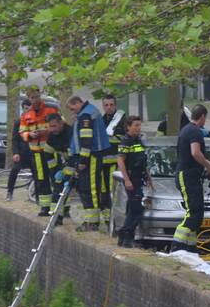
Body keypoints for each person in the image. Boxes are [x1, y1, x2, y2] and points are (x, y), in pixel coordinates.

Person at [172, 105, 210, 252]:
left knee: (196, 213)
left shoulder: (186, 129)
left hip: (189, 175)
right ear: (202, 116)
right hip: (187, 175)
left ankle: (190, 248)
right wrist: (209, 167)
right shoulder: (195, 132)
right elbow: (195, 153)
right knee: (193, 212)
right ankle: (177, 246)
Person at [64, 95, 110, 232]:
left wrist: (83, 160)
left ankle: (92, 222)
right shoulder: (90, 111)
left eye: (73, 108)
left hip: (91, 156)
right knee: (88, 187)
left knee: (89, 188)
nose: (73, 112)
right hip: (92, 155)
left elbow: (86, 140)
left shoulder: (85, 115)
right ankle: (92, 220)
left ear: (78, 103)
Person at [19, 87, 59, 217]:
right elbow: (22, 133)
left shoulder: (51, 109)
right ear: (29, 99)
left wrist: (47, 131)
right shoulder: (26, 115)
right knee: (41, 180)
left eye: (36, 97)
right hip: (36, 153)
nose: (35, 100)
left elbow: (60, 125)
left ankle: (60, 208)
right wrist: (30, 134)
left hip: (51, 151)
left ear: (40, 96)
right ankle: (45, 207)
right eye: (32, 98)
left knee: (56, 178)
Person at [115, 115, 152, 248]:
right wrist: (127, 180)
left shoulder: (138, 140)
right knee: (136, 209)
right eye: (135, 125)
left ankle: (125, 239)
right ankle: (126, 233)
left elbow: (143, 161)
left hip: (139, 178)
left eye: (139, 125)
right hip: (132, 179)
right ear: (128, 127)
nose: (138, 127)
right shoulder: (126, 141)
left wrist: (149, 179)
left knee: (132, 208)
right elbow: (120, 161)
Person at [100, 94, 126, 224]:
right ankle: (107, 219)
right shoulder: (101, 120)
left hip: (116, 164)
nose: (109, 107)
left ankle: (115, 220)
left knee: (114, 193)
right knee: (103, 192)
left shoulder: (122, 120)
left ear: (115, 105)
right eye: (106, 105)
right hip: (102, 163)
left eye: (111, 104)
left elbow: (121, 141)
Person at [46, 113, 73, 224]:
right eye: (50, 126)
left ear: (61, 124)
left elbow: (74, 155)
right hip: (67, 163)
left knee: (86, 193)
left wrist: (65, 172)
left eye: (54, 126)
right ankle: (57, 217)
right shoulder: (52, 136)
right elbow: (48, 153)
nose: (52, 129)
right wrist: (54, 171)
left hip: (78, 163)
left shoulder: (70, 133)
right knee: (58, 187)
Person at [4, 98, 30, 201]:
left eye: (29, 109)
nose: (27, 111)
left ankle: (36, 195)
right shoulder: (19, 122)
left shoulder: (36, 121)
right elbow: (14, 139)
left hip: (33, 153)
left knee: (38, 175)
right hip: (22, 153)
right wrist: (15, 153)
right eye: (25, 109)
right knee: (14, 170)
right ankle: (9, 192)